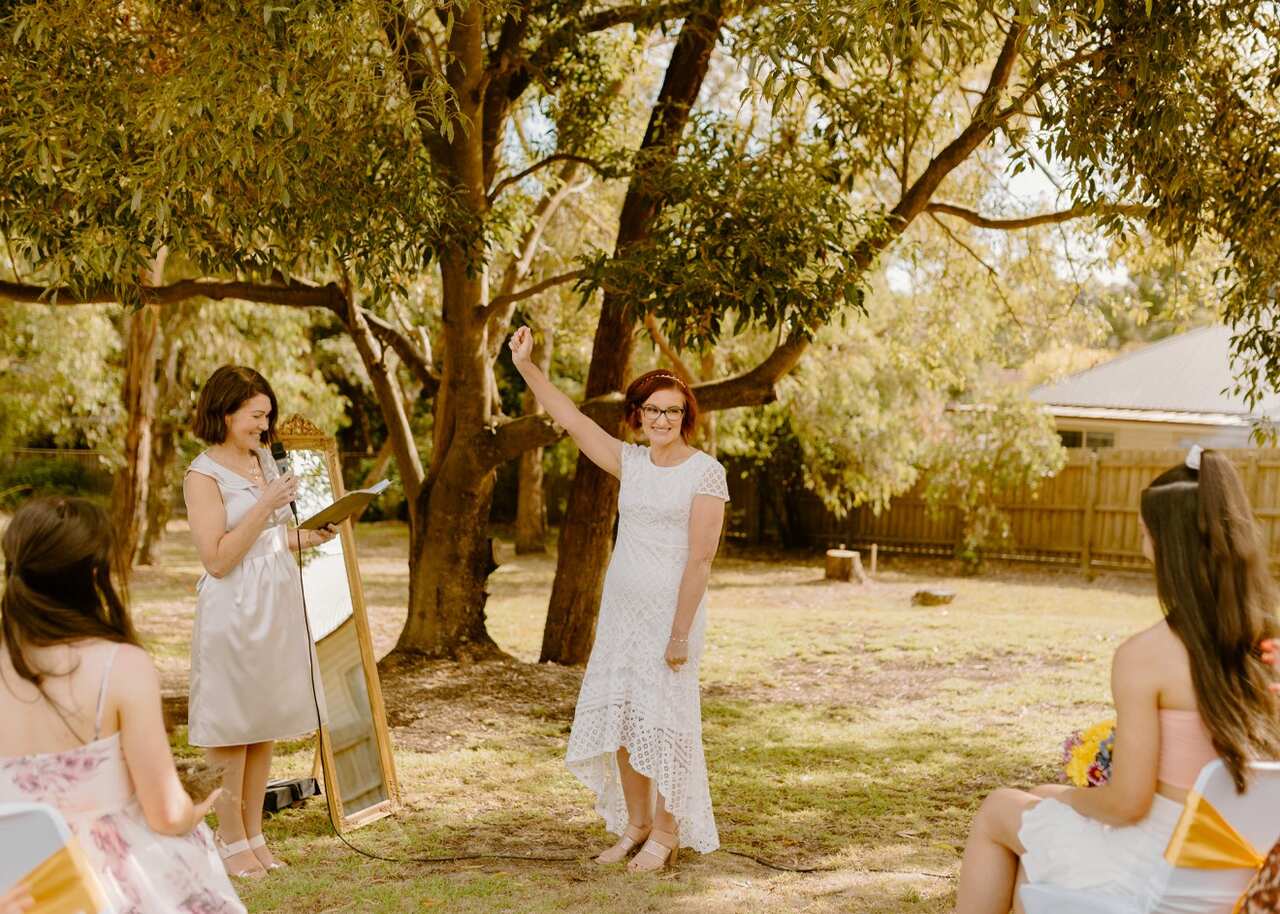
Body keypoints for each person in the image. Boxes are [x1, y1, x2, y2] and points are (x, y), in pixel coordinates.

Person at [954, 449, 1280, 913]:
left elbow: (1129, 804)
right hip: (1234, 870)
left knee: (999, 809)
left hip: (1152, 870)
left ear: (1171, 547)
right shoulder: (1269, 646)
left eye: (1146, 533)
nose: (1140, 543)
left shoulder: (1146, 656)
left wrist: (1071, 795)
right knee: (1042, 825)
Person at [510, 326, 731, 871]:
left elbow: (700, 560)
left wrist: (679, 633)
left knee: (668, 723)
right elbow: (572, 420)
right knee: (628, 721)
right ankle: (635, 825)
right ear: (637, 414)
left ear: (685, 418)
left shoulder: (706, 473)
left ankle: (667, 831)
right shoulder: (628, 462)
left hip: (670, 619)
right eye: (652, 410)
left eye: (672, 412)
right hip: (622, 615)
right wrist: (527, 368)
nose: (661, 420)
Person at [0, 497, 246, 913]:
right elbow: (165, 813)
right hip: (106, 888)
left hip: (15, 881)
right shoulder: (120, 667)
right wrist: (198, 808)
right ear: (96, 574)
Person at [183, 365, 336, 878]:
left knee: (261, 725)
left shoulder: (262, 460)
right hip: (233, 611)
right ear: (224, 412)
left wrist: (307, 537)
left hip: (275, 605)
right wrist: (267, 505)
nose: (263, 426)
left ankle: (253, 835)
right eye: (255, 416)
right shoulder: (203, 474)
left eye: (266, 416)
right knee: (231, 727)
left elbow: (268, 540)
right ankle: (228, 844)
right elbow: (219, 558)